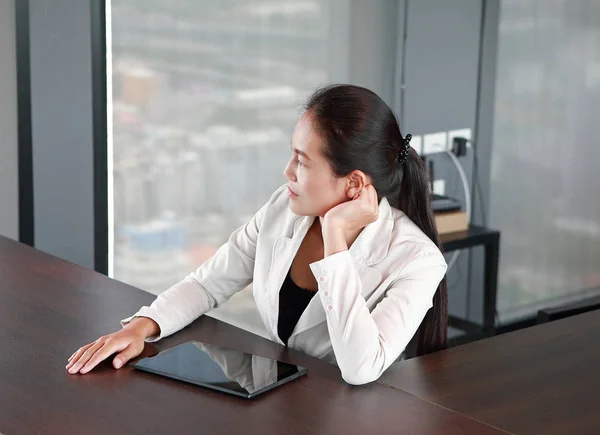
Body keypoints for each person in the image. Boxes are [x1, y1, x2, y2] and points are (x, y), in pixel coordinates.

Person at [66, 84, 448, 385]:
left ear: (353, 184)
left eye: (302, 160)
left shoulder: (417, 260)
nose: (287, 172)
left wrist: (335, 238)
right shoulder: (284, 208)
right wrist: (140, 328)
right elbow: (207, 284)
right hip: (276, 396)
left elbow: (360, 368)